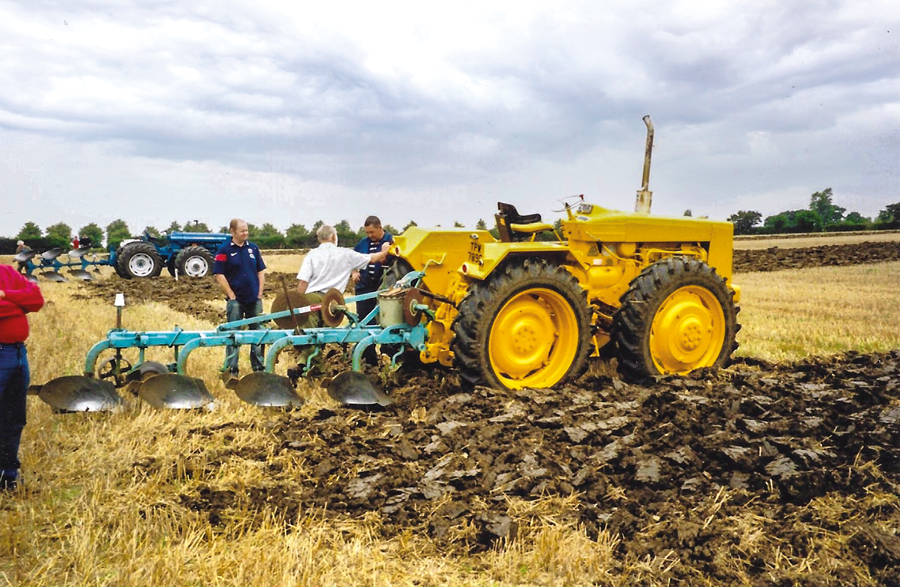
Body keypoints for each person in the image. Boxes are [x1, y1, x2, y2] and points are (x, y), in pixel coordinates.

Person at [294, 224, 390, 374]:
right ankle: (316, 372)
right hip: (331, 303)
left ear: (320, 239)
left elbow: (303, 282)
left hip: (310, 299)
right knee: (321, 337)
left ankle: (305, 366)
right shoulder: (345, 254)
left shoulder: (312, 254)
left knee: (309, 335)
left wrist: (298, 304)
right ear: (333, 237)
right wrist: (384, 252)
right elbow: (372, 259)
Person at [0, 262, 45, 491]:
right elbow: (27, 302)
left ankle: (7, 476)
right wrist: (20, 305)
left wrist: (6, 294)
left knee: (13, 417)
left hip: (17, 353)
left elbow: (36, 300)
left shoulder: (6, 272)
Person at [213, 219, 266, 384]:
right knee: (233, 336)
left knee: (258, 335)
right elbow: (219, 274)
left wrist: (259, 293)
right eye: (242, 231)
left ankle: (259, 370)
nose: (245, 233)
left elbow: (261, 271)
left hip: (254, 299)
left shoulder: (253, 248)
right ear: (232, 232)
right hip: (236, 301)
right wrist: (231, 295)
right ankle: (232, 372)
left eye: (247, 230)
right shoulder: (224, 250)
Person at [352, 216, 394, 365]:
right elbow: (355, 260)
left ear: (379, 227)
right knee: (364, 322)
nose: (370, 235)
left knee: (386, 322)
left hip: (384, 291)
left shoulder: (392, 242)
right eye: (367, 232)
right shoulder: (363, 244)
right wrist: (355, 272)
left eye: (372, 232)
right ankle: (370, 360)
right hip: (364, 289)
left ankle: (388, 353)